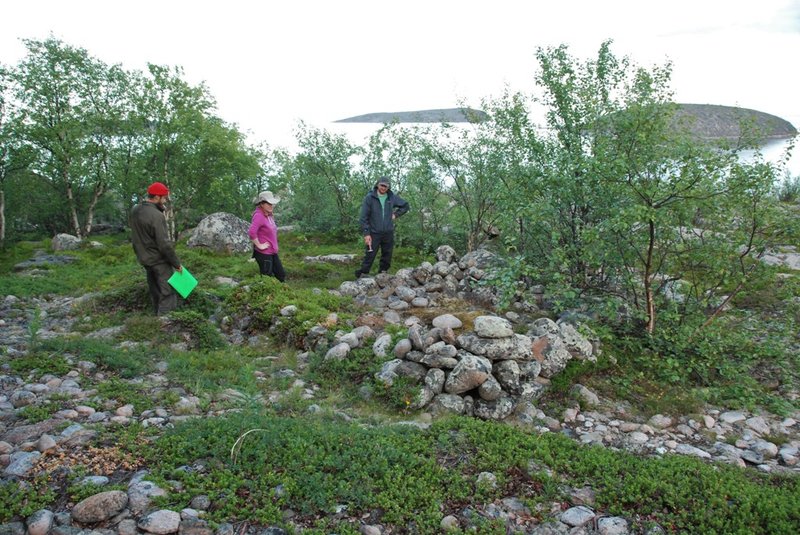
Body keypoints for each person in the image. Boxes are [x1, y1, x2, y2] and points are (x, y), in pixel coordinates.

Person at [130, 181, 183, 316]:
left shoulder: (135, 210)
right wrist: (176, 264)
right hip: (158, 260)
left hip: (144, 258)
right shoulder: (156, 216)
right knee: (168, 292)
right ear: (157, 197)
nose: (165, 200)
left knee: (155, 290)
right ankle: (165, 325)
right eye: (164, 198)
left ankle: (155, 318)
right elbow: (164, 244)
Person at [355, 176, 409, 278]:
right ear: (377, 184)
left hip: (388, 231)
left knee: (387, 254)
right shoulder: (370, 197)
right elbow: (363, 217)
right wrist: (366, 234)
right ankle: (363, 274)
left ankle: (383, 273)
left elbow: (405, 205)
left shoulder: (391, 197)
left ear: (388, 187)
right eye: (382, 185)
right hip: (374, 232)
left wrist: (396, 214)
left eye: (386, 186)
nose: (383, 188)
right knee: (370, 254)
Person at [249, 191, 286, 282]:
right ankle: (266, 295)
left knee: (281, 274)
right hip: (264, 254)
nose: (271, 206)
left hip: (272, 252)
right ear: (261, 204)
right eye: (268, 203)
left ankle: (280, 294)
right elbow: (251, 232)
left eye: (272, 203)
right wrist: (259, 245)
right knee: (266, 278)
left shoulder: (268, 215)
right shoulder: (259, 215)